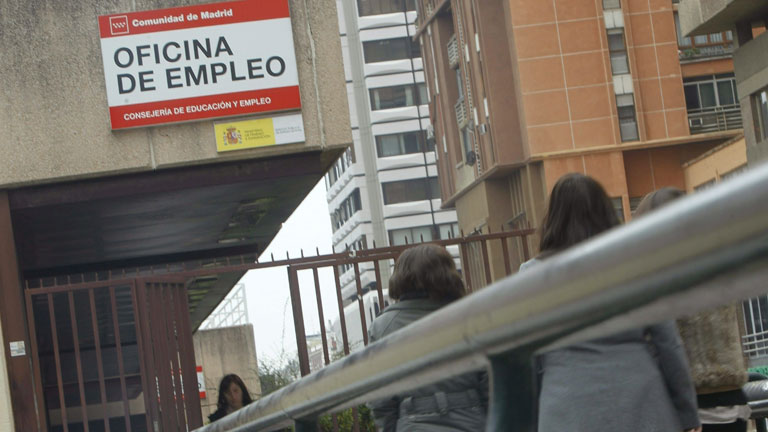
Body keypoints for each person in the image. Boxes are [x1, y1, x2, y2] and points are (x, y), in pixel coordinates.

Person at [520, 173, 701, 432]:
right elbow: (668, 342)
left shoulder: (531, 277)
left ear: (553, 218)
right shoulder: (635, 265)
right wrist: (687, 412)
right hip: (642, 402)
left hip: (566, 407)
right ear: (605, 212)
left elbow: (526, 360)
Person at [635, 187, 750, 431]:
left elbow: (662, 346)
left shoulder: (661, 276)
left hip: (690, 408)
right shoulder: (720, 265)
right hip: (734, 401)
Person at [368, 244, 487, 431]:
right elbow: (491, 379)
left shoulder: (383, 327)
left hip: (413, 421)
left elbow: (380, 398)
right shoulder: (471, 315)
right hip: (472, 420)